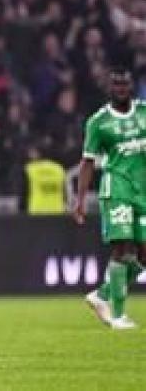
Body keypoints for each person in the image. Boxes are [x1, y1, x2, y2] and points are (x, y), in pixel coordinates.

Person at [74, 67, 146, 330]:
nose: (121, 89)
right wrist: (80, 199)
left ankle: (101, 295)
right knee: (122, 248)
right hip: (116, 190)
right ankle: (118, 316)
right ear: (109, 88)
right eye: (116, 85)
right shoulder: (99, 121)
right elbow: (87, 162)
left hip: (143, 191)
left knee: (142, 258)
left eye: (125, 84)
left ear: (132, 86)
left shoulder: (144, 111)